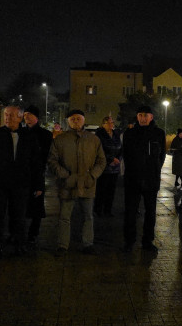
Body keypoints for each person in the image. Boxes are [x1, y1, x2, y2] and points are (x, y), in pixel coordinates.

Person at [0, 105, 43, 258]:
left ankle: (19, 244)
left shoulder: (29, 136)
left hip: (21, 183)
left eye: (11, 115)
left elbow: (36, 162)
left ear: (20, 117)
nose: (7, 118)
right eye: (6, 115)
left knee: (19, 216)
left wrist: (38, 184)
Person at [48, 109, 106, 256]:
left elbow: (101, 160)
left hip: (87, 184)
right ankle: (62, 245)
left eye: (78, 118)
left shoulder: (93, 139)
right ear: (68, 121)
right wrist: (65, 175)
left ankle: (88, 243)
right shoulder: (60, 139)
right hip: (67, 185)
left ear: (83, 120)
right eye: (72, 118)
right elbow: (52, 161)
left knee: (88, 216)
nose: (76, 121)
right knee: (64, 216)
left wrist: (92, 175)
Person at [121, 105, 166, 251]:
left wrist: (154, 170)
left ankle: (147, 241)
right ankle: (129, 241)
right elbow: (126, 155)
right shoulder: (130, 133)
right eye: (140, 115)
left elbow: (161, 156)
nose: (143, 118)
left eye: (146, 115)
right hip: (133, 179)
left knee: (150, 212)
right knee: (130, 212)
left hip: (151, 179)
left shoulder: (159, 133)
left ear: (151, 117)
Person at [22, 105, 53, 243]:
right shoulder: (20, 132)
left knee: (36, 205)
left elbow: (46, 154)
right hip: (22, 174)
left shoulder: (45, 134)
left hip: (37, 173)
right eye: (25, 115)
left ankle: (33, 233)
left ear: (37, 117)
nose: (27, 117)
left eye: (30, 114)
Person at [93, 115, 122, 217]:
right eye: (109, 123)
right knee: (101, 189)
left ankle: (108, 210)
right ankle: (98, 210)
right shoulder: (99, 135)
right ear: (103, 124)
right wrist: (110, 159)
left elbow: (120, 148)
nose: (111, 124)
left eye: (112, 122)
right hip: (103, 167)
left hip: (115, 167)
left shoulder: (115, 134)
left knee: (111, 190)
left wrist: (118, 159)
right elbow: (99, 150)